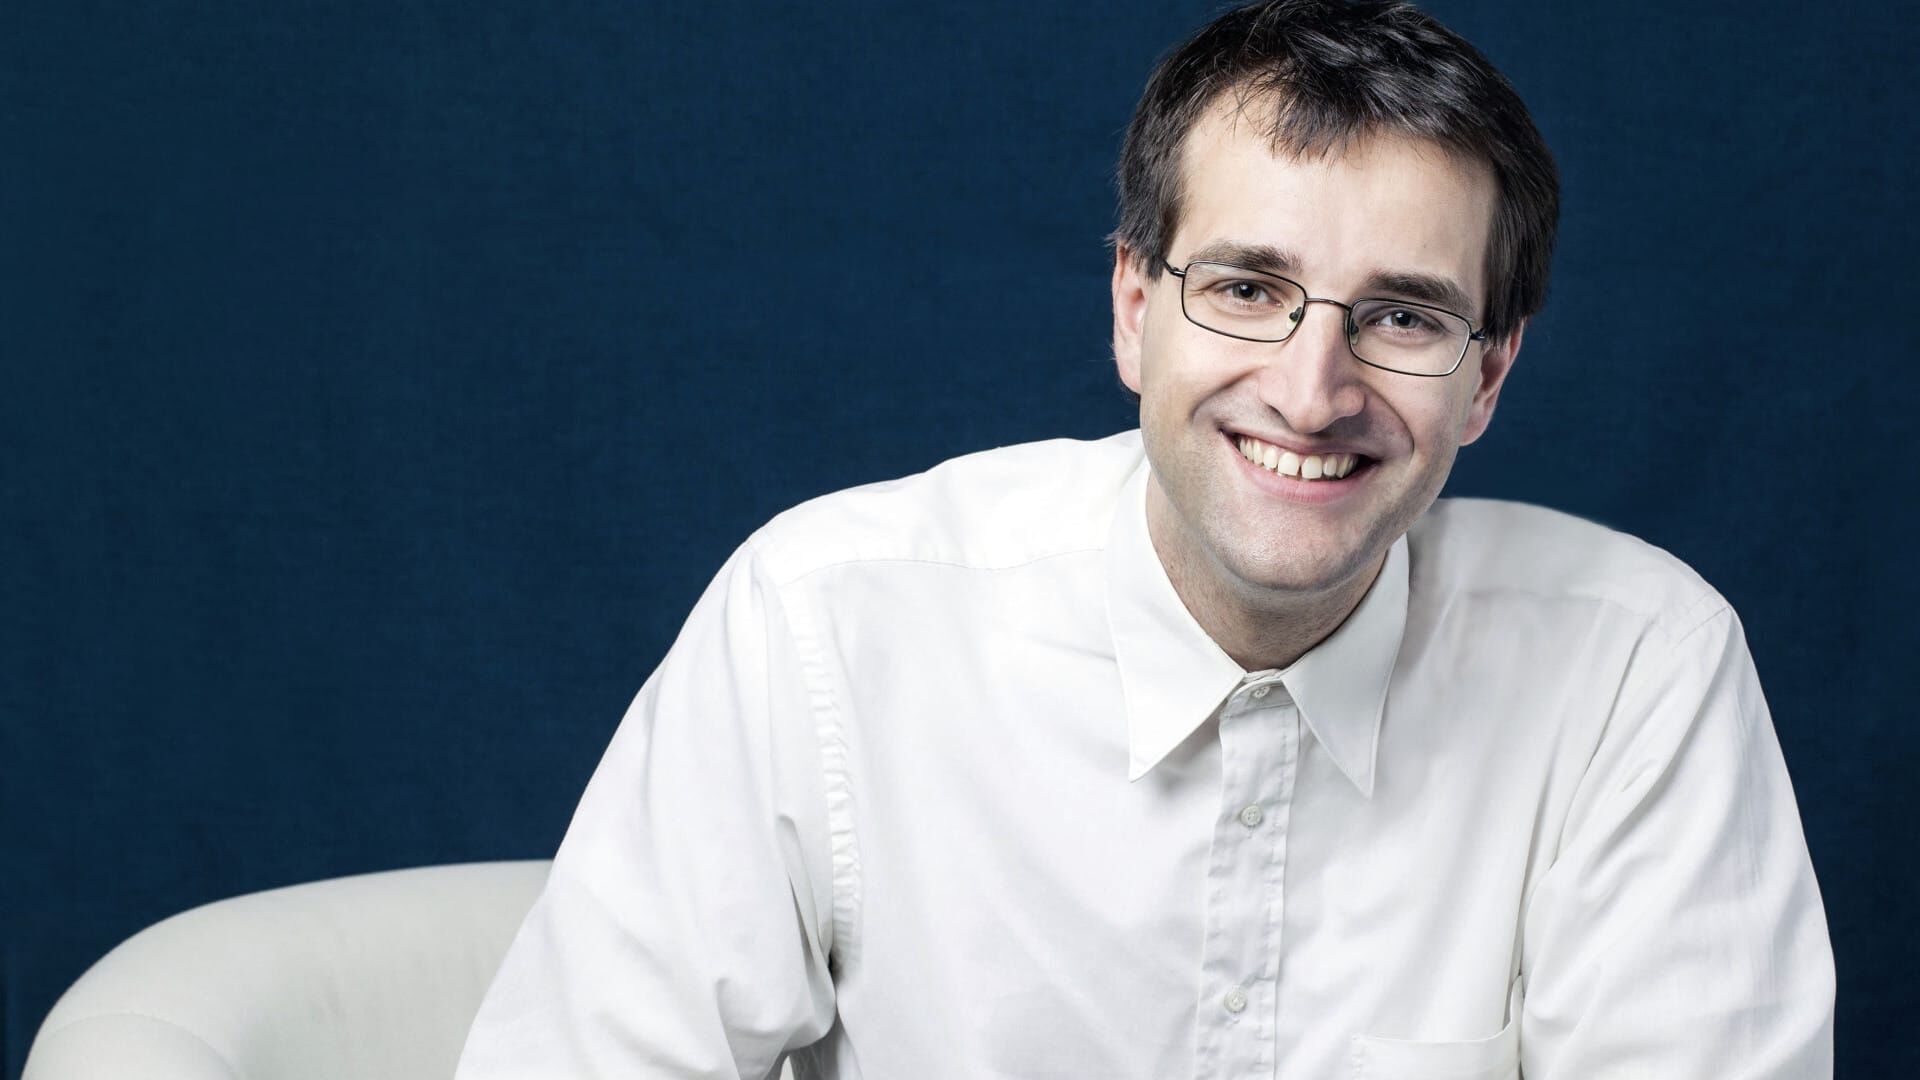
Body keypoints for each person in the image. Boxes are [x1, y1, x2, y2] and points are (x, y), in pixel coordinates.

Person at [455, 1, 1835, 1076]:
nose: (1312, 391)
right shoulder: (822, 629)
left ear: (1488, 376)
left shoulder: (1635, 673)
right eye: (1246, 288)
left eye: (1404, 316)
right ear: (1133, 309)